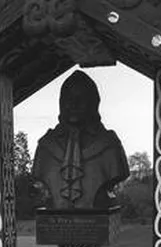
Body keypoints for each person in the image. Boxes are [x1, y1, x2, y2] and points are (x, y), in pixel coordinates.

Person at [32, 70, 130, 209]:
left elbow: (118, 173)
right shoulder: (46, 147)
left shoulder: (110, 146)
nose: (73, 104)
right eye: (68, 99)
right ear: (61, 103)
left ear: (93, 103)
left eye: (80, 99)